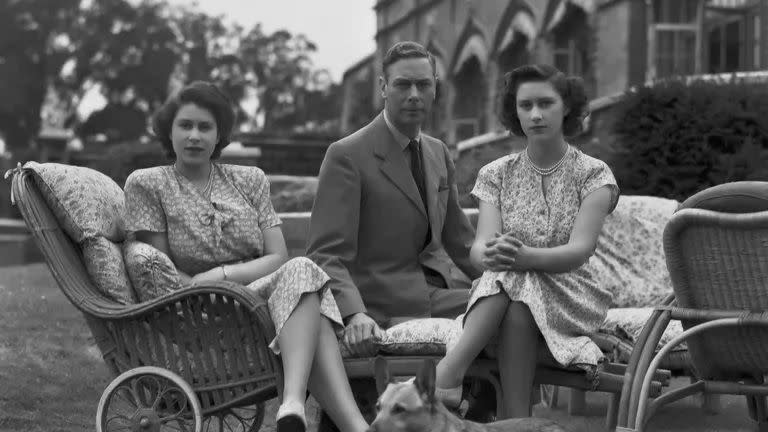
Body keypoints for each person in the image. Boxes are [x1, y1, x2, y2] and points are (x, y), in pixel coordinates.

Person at [123, 81, 368, 432]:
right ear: (169, 130)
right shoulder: (148, 184)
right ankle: (349, 424)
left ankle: (293, 403)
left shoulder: (249, 180)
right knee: (313, 309)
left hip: (260, 295)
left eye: (205, 127)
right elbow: (162, 269)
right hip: (200, 306)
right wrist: (207, 285)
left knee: (302, 268)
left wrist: (221, 274)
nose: (195, 136)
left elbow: (278, 256)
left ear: (220, 133)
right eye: (185, 125)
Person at [306, 41, 482, 423]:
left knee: (508, 309)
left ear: (436, 87)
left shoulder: (438, 152)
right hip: (378, 303)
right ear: (384, 87)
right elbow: (326, 254)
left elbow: (461, 241)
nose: (414, 95)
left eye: (424, 85)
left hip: (436, 294)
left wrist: (498, 283)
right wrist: (354, 314)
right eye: (403, 85)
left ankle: (493, 419)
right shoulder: (347, 155)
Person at [434, 64, 619, 419]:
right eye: (525, 105)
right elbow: (479, 250)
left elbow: (579, 252)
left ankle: (449, 372)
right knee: (517, 300)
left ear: (566, 107)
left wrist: (523, 256)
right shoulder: (495, 173)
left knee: (513, 279)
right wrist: (492, 253)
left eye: (546, 103)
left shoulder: (594, 174)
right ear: (514, 111)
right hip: (506, 289)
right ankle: (516, 422)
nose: (535, 114)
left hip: (571, 293)